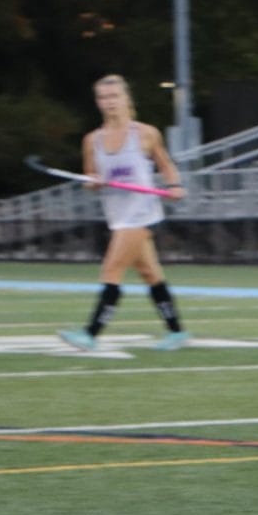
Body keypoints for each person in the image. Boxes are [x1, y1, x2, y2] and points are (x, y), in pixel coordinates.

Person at [58, 74, 191, 352]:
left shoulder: (145, 133)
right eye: (103, 98)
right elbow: (92, 178)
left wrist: (174, 185)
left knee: (112, 269)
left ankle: (91, 333)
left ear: (126, 99)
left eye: (114, 96)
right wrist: (92, 183)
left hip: (141, 214)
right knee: (149, 273)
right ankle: (177, 331)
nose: (109, 103)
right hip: (117, 216)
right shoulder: (92, 140)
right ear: (98, 102)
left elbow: (165, 165)